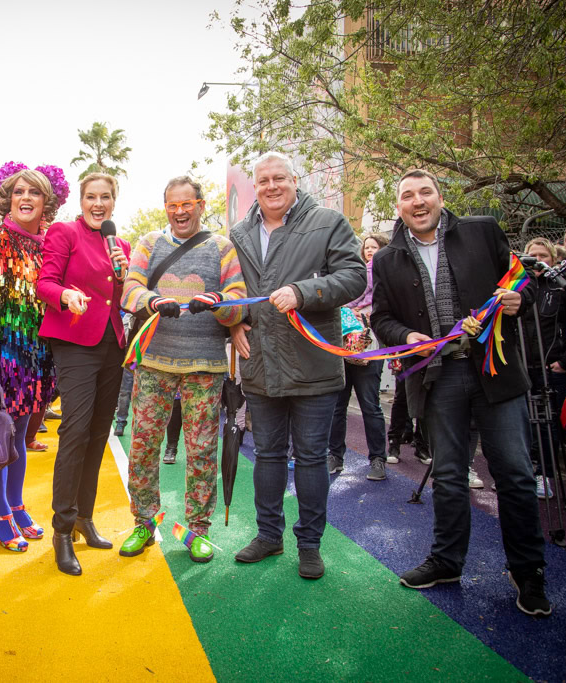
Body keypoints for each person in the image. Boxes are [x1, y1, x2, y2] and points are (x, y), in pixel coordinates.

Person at [370, 168, 551, 616]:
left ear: (440, 196)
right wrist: (408, 335)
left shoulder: (483, 231)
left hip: (496, 369)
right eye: (407, 195)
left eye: (425, 192)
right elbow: (382, 318)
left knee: (515, 473)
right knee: (449, 475)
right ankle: (447, 561)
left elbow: (520, 283)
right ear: (399, 207)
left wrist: (519, 301)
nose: (417, 201)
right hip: (438, 377)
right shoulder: (387, 259)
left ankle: (527, 571)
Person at [227, 151, 366, 580]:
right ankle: (269, 535)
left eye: (279, 178)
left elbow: (355, 276)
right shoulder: (238, 232)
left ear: (294, 180)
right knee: (266, 456)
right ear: (255, 185)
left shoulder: (327, 222)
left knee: (310, 458)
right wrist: (232, 325)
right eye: (263, 180)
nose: (271, 186)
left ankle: (310, 544)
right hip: (260, 364)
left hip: (313, 364)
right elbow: (230, 290)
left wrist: (304, 291)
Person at [119, 175, 246, 563]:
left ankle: (197, 530)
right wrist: (153, 301)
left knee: (202, 449)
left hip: (205, 365)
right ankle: (144, 522)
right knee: (142, 446)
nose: (179, 212)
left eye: (186, 204)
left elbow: (238, 302)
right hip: (154, 362)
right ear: (166, 208)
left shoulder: (222, 248)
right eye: (172, 205)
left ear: (200, 205)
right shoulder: (148, 243)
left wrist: (218, 300)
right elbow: (129, 289)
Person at [36, 172, 130, 576]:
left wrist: (126, 276)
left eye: (105, 197)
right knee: (75, 431)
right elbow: (44, 284)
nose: (98, 204)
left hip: (112, 344)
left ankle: (84, 517)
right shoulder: (64, 232)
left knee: (98, 433)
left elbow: (121, 295)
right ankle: (61, 529)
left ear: (113, 202)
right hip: (74, 342)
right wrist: (65, 295)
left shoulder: (120, 245)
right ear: (81, 200)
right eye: (91, 196)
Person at [0, 163, 64, 552]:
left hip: (37, 355)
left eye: (35, 192)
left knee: (22, 437)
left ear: (47, 202)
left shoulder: (53, 245)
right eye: (19, 192)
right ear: (8, 199)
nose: (26, 198)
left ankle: (17, 503)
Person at [521, 237, 566, 498]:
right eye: (532, 256)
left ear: (553, 259)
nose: (537, 261)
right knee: (522, 422)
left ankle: (545, 475)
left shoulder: (565, 288)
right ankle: (524, 472)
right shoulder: (517, 287)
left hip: (552, 367)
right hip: (522, 367)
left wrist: (565, 362)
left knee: (547, 423)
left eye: (543, 256)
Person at [327, 232, 390, 481]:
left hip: (369, 347)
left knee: (370, 405)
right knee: (337, 405)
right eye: (367, 247)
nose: (370, 251)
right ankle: (335, 455)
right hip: (342, 347)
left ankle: (377, 458)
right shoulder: (351, 275)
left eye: (375, 247)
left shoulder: (386, 278)